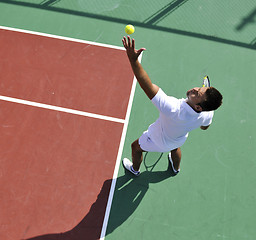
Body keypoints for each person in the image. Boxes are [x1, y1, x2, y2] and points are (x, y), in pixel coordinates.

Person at [121, 36, 223, 176]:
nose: (194, 89)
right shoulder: (207, 113)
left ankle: (135, 170)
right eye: (199, 87)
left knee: (136, 147)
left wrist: (133, 60)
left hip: (157, 140)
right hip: (178, 138)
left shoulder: (173, 108)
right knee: (175, 148)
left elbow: (147, 85)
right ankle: (176, 168)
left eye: (197, 93)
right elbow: (205, 127)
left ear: (199, 107)